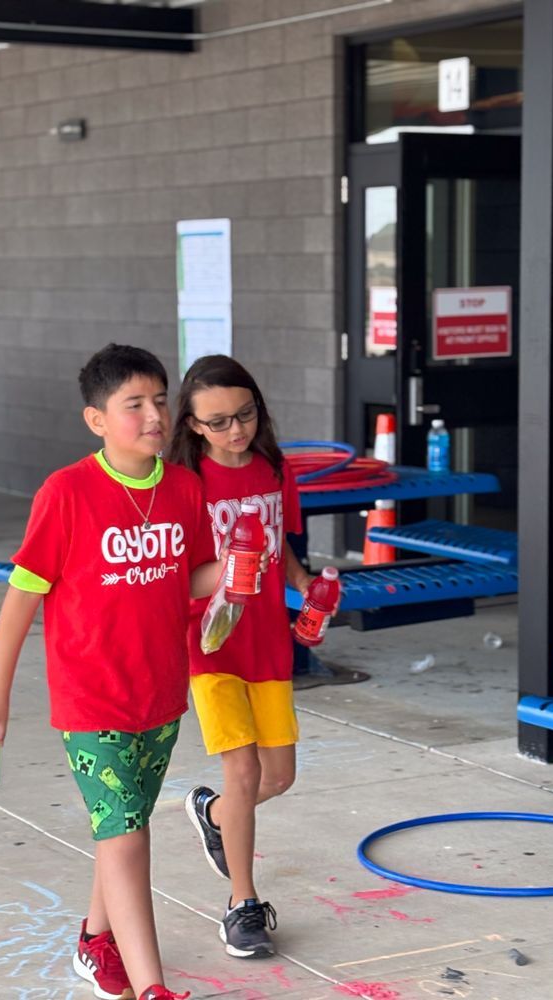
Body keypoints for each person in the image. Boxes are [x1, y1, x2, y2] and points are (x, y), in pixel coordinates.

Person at [0, 343, 225, 1000]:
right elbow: (23, 593)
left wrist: (231, 570)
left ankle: (94, 940)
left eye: (161, 401)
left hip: (161, 691)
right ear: (97, 420)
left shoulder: (184, 488)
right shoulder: (68, 492)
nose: (153, 416)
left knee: (122, 827)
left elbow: (187, 575)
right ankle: (152, 987)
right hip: (92, 698)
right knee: (127, 834)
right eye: (133, 405)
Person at [168, 354, 314, 960]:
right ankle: (242, 905)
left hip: (269, 645)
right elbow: (172, 570)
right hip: (211, 647)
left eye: (245, 414)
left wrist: (309, 587)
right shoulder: (184, 483)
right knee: (246, 772)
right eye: (219, 421)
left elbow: (282, 546)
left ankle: (212, 812)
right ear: (195, 425)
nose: (236, 430)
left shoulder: (275, 468)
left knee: (280, 777)